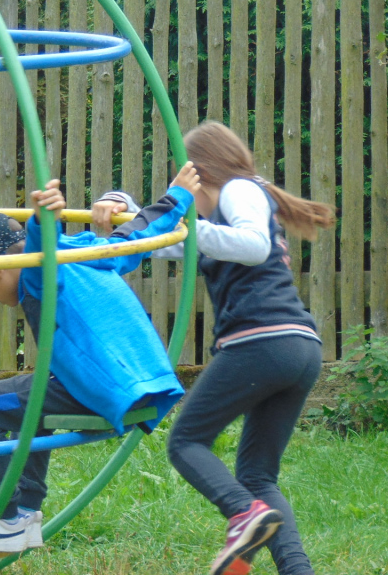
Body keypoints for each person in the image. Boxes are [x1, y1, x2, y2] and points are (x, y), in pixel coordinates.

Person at [93, 121, 335, 575]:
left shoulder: (239, 190)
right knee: (257, 476)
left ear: (202, 175)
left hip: (261, 342)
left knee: (186, 442)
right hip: (297, 349)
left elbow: (252, 245)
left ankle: (244, 515)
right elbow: (161, 240)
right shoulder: (224, 214)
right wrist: (122, 204)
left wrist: (186, 228)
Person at [0, 164, 201, 552]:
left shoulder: (38, 271)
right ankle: (25, 513)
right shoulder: (87, 252)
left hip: (102, 387)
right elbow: (139, 234)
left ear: (0, 266)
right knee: (28, 406)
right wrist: (176, 198)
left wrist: (43, 219)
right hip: (141, 384)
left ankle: (2, 521)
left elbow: (39, 248)